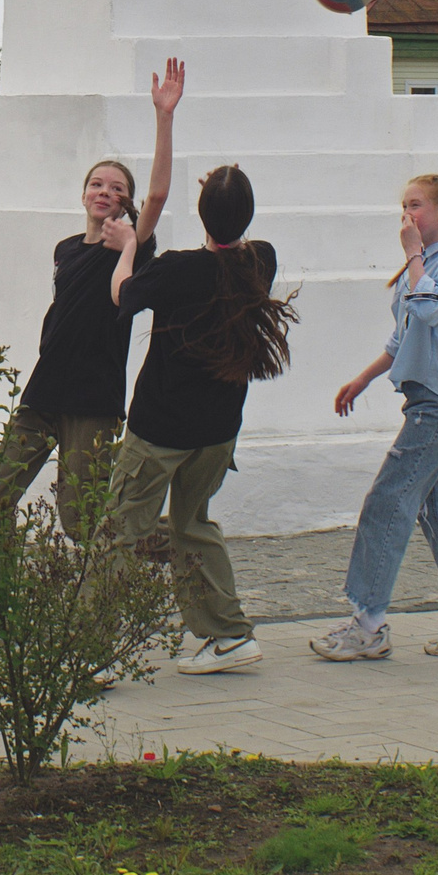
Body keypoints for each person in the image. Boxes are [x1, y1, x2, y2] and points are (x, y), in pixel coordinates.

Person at [104, 158, 299, 675]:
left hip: (160, 428)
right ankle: (230, 635)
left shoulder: (178, 268)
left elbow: (123, 292)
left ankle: (94, 644)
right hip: (217, 433)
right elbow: (236, 240)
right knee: (192, 525)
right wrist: (224, 199)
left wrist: (127, 246)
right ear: (248, 216)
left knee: (121, 529)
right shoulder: (260, 262)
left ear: (201, 213)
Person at [0, 58, 181, 538]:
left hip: (92, 402)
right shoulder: (66, 249)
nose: (104, 192)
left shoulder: (133, 245)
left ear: (125, 202)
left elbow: (156, 195)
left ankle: (155, 553)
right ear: (83, 194)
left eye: (116, 188)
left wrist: (164, 116)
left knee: (82, 523)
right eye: (97, 184)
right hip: (44, 392)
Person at [309, 173, 438, 662]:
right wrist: (364, 378)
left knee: (388, 502)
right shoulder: (428, 263)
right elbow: (405, 336)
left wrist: (413, 254)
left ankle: (368, 624)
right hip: (435, 401)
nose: (406, 215)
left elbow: (428, 309)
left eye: (415, 205)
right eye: (404, 206)